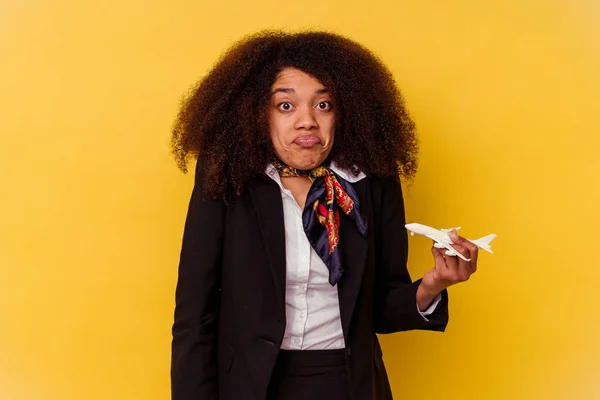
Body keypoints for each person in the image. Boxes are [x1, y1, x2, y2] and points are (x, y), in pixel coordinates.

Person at [170, 31, 480, 400]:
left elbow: (381, 308)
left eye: (323, 105)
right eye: (286, 106)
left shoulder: (372, 182)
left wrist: (434, 284)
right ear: (256, 113)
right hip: (250, 386)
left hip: (348, 384)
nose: (306, 122)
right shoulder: (227, 178)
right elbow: (195, 318)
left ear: (344, 112)